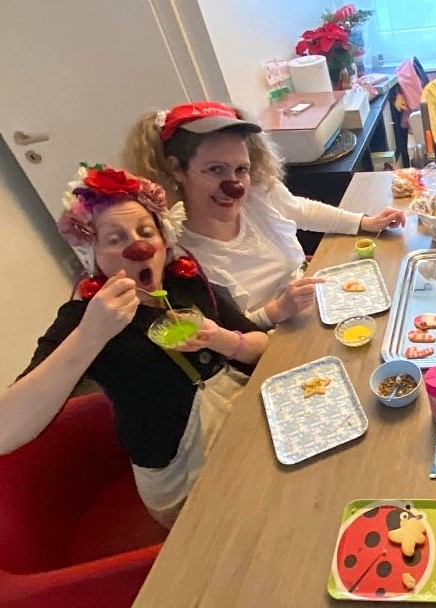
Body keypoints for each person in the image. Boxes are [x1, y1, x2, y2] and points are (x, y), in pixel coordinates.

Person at [0, 164, 269, 528]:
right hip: (185, 481)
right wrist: (90, 336)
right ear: (91, 255)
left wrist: (222, 339)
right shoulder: (85, 317)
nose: (139, 247)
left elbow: (259, 343)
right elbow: (5, 430)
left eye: (146, 231)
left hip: (240, 434)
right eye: (114, 239)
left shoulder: (184, 281)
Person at [123, 101, 406, 330]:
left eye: (240, 169)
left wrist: (363, 222)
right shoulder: (177, 255)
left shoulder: (256, 193)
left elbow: (301, 209)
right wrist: (276, 311)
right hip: (268, 342)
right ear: (176, 169)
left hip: (314, 308)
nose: (234, 186)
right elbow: (221, 336)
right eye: (215, 169)